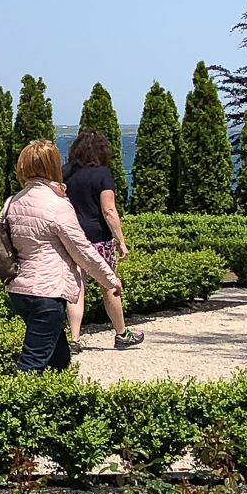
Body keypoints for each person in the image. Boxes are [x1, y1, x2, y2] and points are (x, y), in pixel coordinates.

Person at [2, 138, 122, 373]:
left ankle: (59, 399)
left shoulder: (12, 202)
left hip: (18, 290)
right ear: (53, 167)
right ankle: (16, 406)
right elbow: (83, 251)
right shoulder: (57, 205)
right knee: (31, 364)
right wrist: (109, 279)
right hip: (47, 292)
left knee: (59, 358)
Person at [62, 128, 144, 357]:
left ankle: (74, 340)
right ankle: (121, 334)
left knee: (76, 289)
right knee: (109, 285)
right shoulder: (103, 174)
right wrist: (121, 241)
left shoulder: (65, 172)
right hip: (98, 239)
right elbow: (108, 210)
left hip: (72, 239)